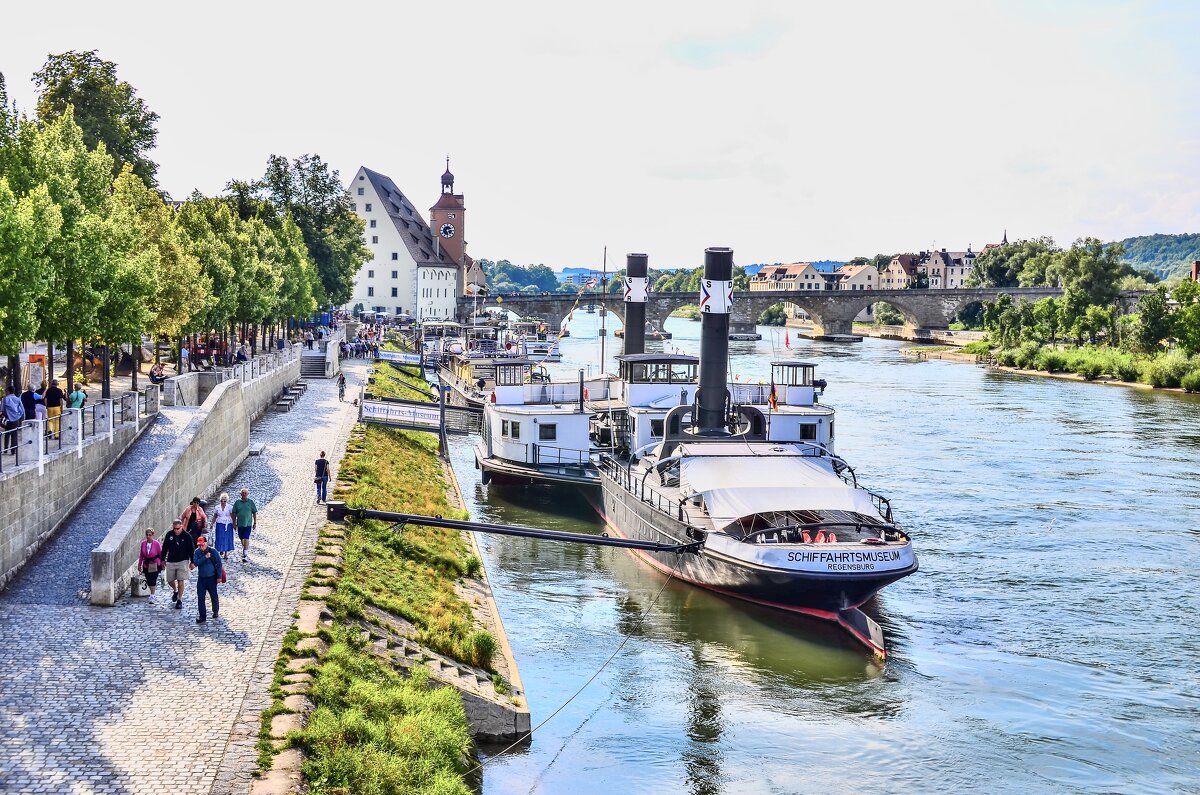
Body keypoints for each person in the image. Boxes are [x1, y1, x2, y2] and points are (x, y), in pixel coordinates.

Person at [161, 520, 194, 609]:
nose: (176, 530)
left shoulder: (187, 536)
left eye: (178, 529)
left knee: (181, 580)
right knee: (170, 580)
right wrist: (162, 560)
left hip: (183, 561)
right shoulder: (169, 535)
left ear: (181, 527)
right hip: (171, 560)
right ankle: (175, 590)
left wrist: (192, 561)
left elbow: (191, 549)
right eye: (174, 529)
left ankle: (179, 599)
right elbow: (164, 548)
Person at [191, 535, 224, 624]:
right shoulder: (197, 552)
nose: (201, 547)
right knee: (200, 597)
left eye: (202, 545)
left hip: (211, 578)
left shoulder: (213, 551)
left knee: (213, 595)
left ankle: (215, 610)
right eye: (199, 546)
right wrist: (205, 557)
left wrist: (219, 576)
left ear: (206, 544)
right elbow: (196, 563)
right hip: (201, 578)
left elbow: (219, 564)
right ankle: (202, 616)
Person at [138, 528, 164, 603]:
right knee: (148, 580)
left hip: (154, 564)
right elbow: (141, 555)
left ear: (152, 535)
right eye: (147, 535)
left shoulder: (156, 544)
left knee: (153, 579)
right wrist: (139, 564)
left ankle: (152, 595)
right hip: (146, 564)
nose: (148, 536)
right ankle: (152, 593)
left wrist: (162, 563)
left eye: (150, 535)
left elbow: (160, 554)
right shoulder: (143, 543)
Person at [232, 488, 257, 563]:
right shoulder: (237, 503)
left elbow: (254, 512)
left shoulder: (250, 502)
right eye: (243, 493)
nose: (244, 494)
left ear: (247, 494)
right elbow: (234, 513)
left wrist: (255, 522)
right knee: (241, 538)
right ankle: (244, 548)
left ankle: (245, 553)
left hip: (248, 524)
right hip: (240, 524)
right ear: (240, 494)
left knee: (246, 537)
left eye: (245, 493)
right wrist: (234, 523)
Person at [211, 492, 235, 560]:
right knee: (219, 537)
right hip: (219, 523)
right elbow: (215, 515)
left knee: (226, 538)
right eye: (221, 500)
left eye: (224, 501)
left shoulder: (230, 507)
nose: (223, 502)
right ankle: (220, 549)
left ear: (226, 501)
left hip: (228, 524)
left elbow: (232, 516)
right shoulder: (217, 507)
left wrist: (234, 524)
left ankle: (226, 553)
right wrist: (212, 523)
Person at [3, 386, 24, 455]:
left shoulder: (5, 399)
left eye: (6, 391)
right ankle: (13, 450)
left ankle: (6, 448)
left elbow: (2, 409)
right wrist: (18, 416)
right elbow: (22, 410)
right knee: (14, 434)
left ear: (8, 391)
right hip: (16, 419)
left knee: (7, 434)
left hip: (8, 419)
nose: (5, 392)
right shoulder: (17, 399)